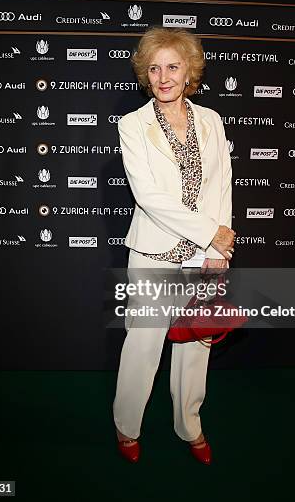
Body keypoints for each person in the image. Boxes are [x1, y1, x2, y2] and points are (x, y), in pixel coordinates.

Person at [112, 26, 235, 464]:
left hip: (201, 257)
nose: (163, 76)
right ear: (146, 75)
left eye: (173, 66)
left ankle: (191, 427)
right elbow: (148, 196)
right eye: (154, 68)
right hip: (152, 255)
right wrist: (211, 232)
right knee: (142, 348)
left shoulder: (211, 120)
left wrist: (217, 249)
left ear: (189, 72)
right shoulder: (133, 125)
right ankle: (127, 428)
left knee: (194, 347)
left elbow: (222, 184)